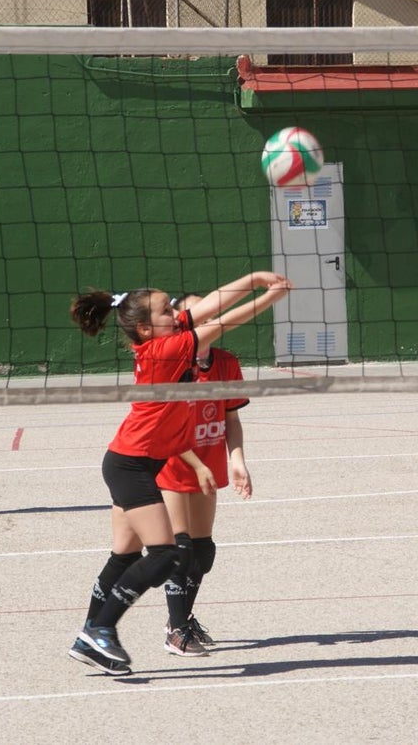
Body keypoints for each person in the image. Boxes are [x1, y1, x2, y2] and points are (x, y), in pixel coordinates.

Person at [67, 272, 292, 675]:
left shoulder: (161, 338)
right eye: (167, 308)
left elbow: (209, 307)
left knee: (125, 553)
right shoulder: (166, 351)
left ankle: (89, 631)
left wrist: (256, 277)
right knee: (167, 554)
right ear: (145, 327)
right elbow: (224, 321)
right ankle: (100, 630)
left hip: (136, 459)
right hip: (131, 465)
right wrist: (270, 296)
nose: (177, 311)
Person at [155, 293, 252, 658]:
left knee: (203, 551)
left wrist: (237, 460)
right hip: (174, 464)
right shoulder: (170, 364)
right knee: (179, 550)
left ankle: (181, 618)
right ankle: (176, 631)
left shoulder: (226, 363)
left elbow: (232, 419)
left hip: (208, 466)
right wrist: (196, 464)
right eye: (195, 315)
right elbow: (162, 427)